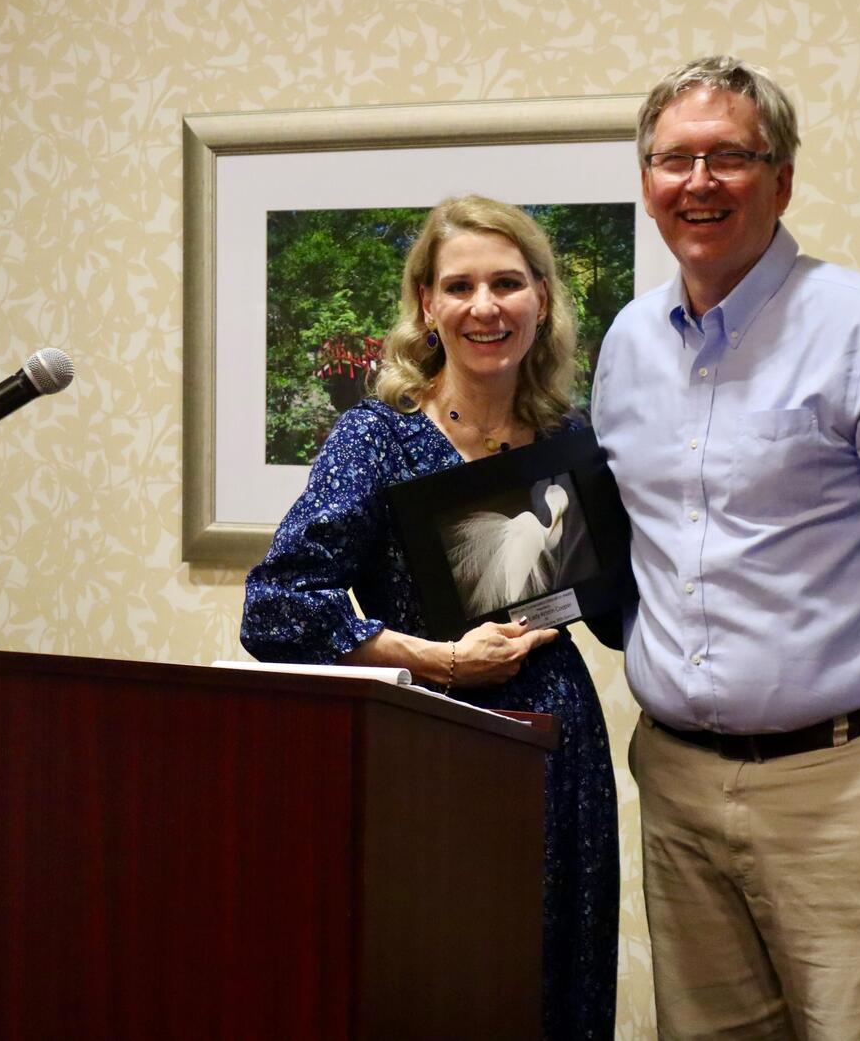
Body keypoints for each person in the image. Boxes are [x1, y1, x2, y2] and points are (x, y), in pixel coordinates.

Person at [592, 56, 860, 1039]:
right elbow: (637, 544)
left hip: (854, 791)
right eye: (673, 160)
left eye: (729, 157)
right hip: (678, 786)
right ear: (646, 179)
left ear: (781, 179)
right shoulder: (626, 343)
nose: (697, 182)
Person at [242, 195, 618, 1040]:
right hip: (429, 754)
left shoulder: (572, 436)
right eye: (461, 286)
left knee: (558, 987)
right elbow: (276, 609)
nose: (485, 307)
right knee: (439, 981)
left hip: (563, 759)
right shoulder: (375, 438)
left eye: (508, 283)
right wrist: (442, 659)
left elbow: (616, 608)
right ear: (426, 304)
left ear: (543, 299)